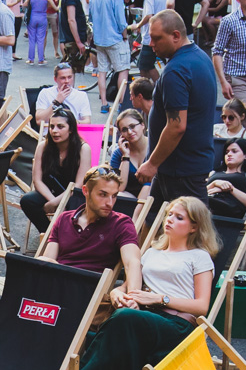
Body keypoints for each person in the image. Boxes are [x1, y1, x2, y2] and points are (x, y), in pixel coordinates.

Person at [78, 198, 218, 370]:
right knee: (115, 322)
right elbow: (129, 286)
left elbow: (202, 306)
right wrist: (117, 293)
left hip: (176, 324)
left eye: (179, 217)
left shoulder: (199, 257)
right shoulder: (152, 252)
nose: (170, 220)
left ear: (194, 227)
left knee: (123, 319)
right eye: (169, 214)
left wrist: (159, 298)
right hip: (143, 317)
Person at [139, 10, 219, 207]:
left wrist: (152, 163)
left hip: (180, 168)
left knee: (191, 224)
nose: (151, 44)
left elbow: (176, 126)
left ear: (175, 35)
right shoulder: (200, 56)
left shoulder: (175, 71)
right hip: (181, 165)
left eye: (157, 38)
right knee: (152, 217)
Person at [42, 166, 144, 286]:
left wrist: (133, 294)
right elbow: (48, 261)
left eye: (114, 196)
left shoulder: (121, 223)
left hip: (90, 289)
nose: (110, 203)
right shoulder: (64, 219)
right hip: (57, 283)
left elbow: (132, 263)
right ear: (85, 191)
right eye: (103, 194)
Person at [23, 104, 93, 232]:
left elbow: (79, 185)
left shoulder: (83, 149)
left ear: (71, 129)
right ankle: (48, 233)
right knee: (27, 201)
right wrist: (52, 200)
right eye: (52, 126)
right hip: (50, 192)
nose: (54, 131)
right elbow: (37, 180)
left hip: (73, 195)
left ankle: (68, 236)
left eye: (60, 127)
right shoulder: (43, 147)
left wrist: (57, 203)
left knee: (76, 206)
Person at [90, 0, 130, 107]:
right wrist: (125, 36)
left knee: (102, 71)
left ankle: (104, 103)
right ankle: (121, 104)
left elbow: (91, 17)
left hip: (100, 39)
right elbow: (121, 21)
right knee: (122, 70)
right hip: (115, 38)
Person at [206, 138, 246, 221]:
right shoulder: (213, 173)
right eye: (226, 152)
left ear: (245, 155)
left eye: (234, 151)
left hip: (228, 210)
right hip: (205, 204)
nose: (229, 154)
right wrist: (214, 183)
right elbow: (199, 193)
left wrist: (230, 189)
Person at [109, 109, 152, 204]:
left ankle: (138, 213)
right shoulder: (118, 153)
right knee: (116, 194)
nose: (129, 132)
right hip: (129, 199)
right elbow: (119, 188)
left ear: (142, 125)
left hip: (152, 198)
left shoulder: (155, 148)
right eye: (124, 129)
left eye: (132, 126)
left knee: (148, 186)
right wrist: (125, 156)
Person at [58, 0, 91, 72]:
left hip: (68, 37)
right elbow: (71, 19)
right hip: (72, 40)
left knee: (69, 70)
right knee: (70, 71)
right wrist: (78, 42)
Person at [25, 0, 55, 66]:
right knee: (41, 38)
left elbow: (25, 4)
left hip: (33, 16)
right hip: (42, 16)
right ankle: (41, 59)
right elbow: (49, 5)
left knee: (32, 39)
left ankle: (31, 59)